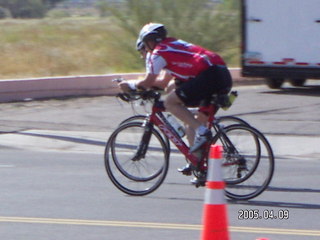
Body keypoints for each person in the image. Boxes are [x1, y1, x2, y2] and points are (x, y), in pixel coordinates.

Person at [119, 23, 232, 179]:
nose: (143, 52)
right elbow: (164, 83)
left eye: (144, 46)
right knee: (188, 119)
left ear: (150, 41)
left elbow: (148, 81)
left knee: (170, 103)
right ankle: (198, 164)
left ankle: (203, 131)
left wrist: (129, 85)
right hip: (220, 73)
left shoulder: (158, 52)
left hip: (209, 75)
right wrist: (144, 86)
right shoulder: (170, 46)